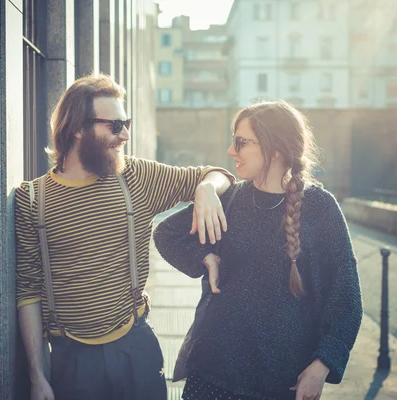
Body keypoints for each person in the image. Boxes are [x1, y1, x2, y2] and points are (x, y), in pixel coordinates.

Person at [14, 73, 234, 400]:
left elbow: (217, 175)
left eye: (126, 123)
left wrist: (204, 187)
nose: (125, 134)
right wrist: (37, 376)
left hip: (137, 349)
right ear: (76, 127)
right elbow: (28, 291)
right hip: (71, 362)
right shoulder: (32, 199)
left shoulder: (134, 177)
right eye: (114, 125)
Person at [153, 100, 363, 400]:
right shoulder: (231, 199)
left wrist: (323, 364)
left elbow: (347, 302)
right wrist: (205, 256)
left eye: (241, 142)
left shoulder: (320, 209)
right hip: (210, 376)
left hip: (281, 385)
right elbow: (167, 234)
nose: (230, 151)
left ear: (274, 148)